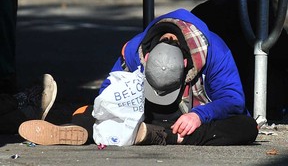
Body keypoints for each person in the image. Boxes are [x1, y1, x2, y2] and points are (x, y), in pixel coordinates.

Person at [18, 8, 258, 146]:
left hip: (192, 116)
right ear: (148, 55)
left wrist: (199, 115)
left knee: (246, 127)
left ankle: (138, 133)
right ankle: (87, 126)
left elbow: (234, 100)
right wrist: (113, 107)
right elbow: (107, 90)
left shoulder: (215, 50)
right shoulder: (135, 49)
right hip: (147, 112)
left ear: (186, 63)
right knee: (98, 110)